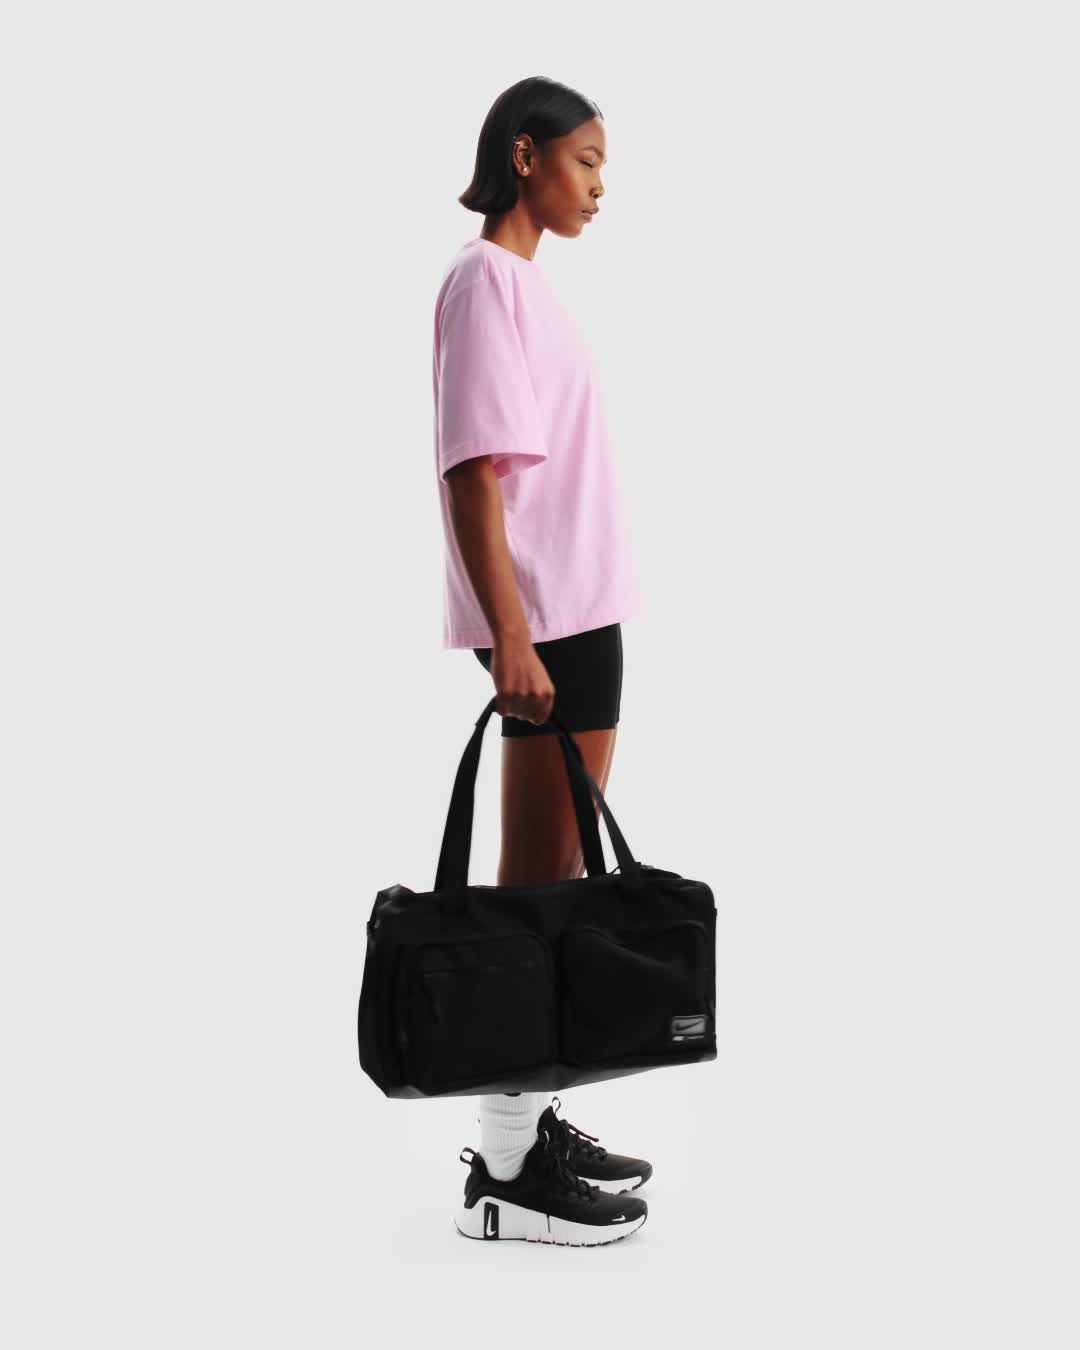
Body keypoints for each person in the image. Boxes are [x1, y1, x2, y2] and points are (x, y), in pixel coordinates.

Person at [432, 77, 652, 1245]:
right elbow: (473, 470)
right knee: (533, 888)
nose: (600, 185)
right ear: (525, 155)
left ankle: (525, 1126)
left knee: (553, 884)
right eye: (587, 159)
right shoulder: (484, 281)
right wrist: (510, 634)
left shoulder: (524, 286)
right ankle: (506, 1169)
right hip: (550, 626)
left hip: (577, 616)